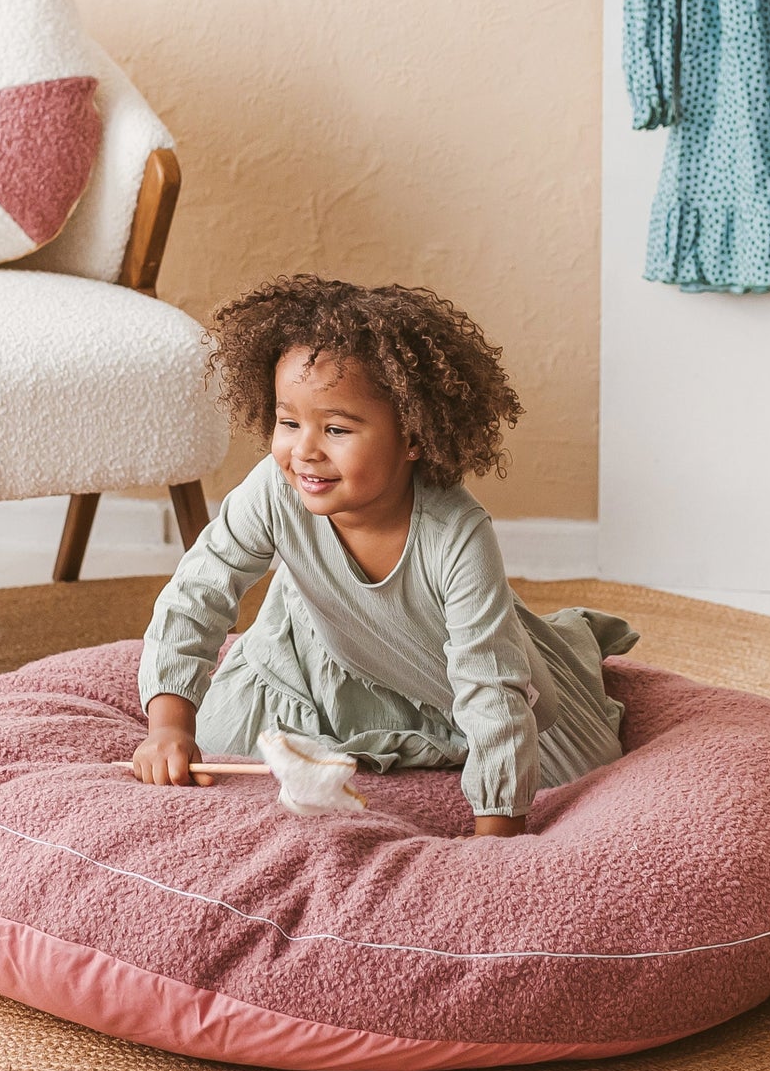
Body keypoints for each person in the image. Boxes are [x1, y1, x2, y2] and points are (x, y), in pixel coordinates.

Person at [133, 275, 636, 835]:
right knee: (230, 744)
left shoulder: (456, 535)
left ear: (413, 436)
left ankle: (543, 658)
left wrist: (495, 841)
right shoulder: (277, 489)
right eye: (289, 422)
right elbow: (198, 591)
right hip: (317, 652)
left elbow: (490, 685)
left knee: (580, 768)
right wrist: (168, 726)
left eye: (337, 428)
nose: (304, 451)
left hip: (444, 675)